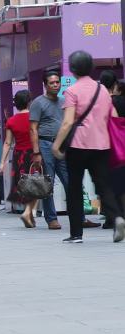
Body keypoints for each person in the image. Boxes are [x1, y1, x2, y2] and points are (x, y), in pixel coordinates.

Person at [52, 51, 125, 243]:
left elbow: (67, 123)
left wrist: (56, 146)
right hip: (102, 145)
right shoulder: (103, 90)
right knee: (103, 185)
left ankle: (76, 234)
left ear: (73, 69)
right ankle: (117, 217)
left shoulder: (72, 91)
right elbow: (114, 116)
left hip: (78, 145)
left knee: (74, 188)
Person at [30, 71, 98, 230]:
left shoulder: (64, 101)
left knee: (72, 182)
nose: (55, 85)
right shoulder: (38, 103)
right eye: (51, 83)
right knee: (48, 184)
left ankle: (80, 218)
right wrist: (36, 152)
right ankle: (51, 219)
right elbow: (33, 129)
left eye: (57, 82)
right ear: (45, 85)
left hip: (63, 146)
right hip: (45, 145)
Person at [0, 90, 38, 228]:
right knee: (37, 184)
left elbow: (8, 143)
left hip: (19, 156)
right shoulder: (34, 117)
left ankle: (30, 215)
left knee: (26, 185)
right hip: (34, 153)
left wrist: (2, 163)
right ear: (29, 102)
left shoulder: (11, 121)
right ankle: (28, 212)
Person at [99, 70, 125, 230]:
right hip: (122, 145)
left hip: (104, 145)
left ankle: (111, 217)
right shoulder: (122, 101)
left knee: (106, 182)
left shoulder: (101, 103)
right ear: (115, 84)